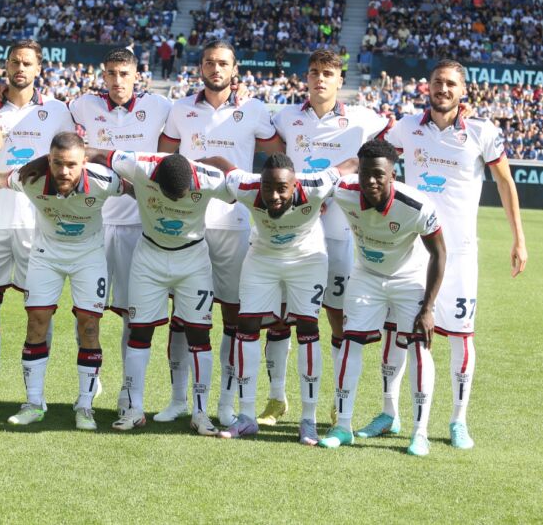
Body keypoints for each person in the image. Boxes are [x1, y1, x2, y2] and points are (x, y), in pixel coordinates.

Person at [361, 59, 527, 449]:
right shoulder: (406, 128)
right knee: (397, 332)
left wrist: (519, 239)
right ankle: (389, 412)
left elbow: (505, 183)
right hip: (411, 250)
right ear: (428, 87)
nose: (444, 89)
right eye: (438, 82)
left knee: (459, 336)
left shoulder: (482, 132)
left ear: (462, 90)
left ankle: (458, 420)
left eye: (451, 84)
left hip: (460, 254)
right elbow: (373, 156)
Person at [158, 40, 284, 427]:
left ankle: (226, 404)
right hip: (188, 221)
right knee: (182, 315)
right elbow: (164, 157)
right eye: (209, 62)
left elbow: (279, 153)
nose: (216, 69)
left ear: (235, 69)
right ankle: (179, 399)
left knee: (232, 314)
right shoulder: (180, 108)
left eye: (223, 63)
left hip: (234, 225)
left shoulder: (255, 108)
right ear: (200, 67)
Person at [265, 48, 390, 427]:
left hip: (339, 232)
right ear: (306, 78)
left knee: (337, 316)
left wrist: (339, 172)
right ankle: (275, 399)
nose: (320, 79)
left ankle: (339, 399)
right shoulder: (286, 117)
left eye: (328, 74)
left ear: (340, 81)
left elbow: (381, 151)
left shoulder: (363, 118)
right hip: (294, 232)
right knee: (281, 316)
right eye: (314, 72)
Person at [198, 154, 354, 443]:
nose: (273, 195)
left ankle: (308, 420)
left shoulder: (318, 184)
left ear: (295, 185)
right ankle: (245, 416)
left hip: (308, 259)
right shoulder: (245, 185)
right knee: (246, 328)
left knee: (308, 328)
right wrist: (191, 162)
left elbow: (350, 163)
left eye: (282, 188)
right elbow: (223, 163)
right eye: (267, 187)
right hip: (262, 258)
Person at [0, 132, 127, 431]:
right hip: (46, 255)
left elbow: (137, 188)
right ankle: (33, 403)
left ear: (84, 162)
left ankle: (85, 407)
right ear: (48, 160)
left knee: (89, 326)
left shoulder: (104, 180)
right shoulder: (30, 178)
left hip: (89, 256)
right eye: (57, 164)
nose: (64, 171)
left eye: (72, 165)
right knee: (37, 323)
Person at [91, 149, 233, 436]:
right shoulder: (139, 165)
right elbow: (95, 154)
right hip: (149, 258)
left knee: (199, 334)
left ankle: (201, 412)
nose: (175, 201)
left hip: (193, 260)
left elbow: (239, 186)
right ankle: (134, 408)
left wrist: (224, 163)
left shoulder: (209, 178)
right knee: (139, 331)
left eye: (181, 195)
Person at [319, 139, 446, 457]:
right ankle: (343, 427)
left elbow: (439, 254)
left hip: (409, 278)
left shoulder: (416, 206)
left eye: (379, 175)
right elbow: (324, 181)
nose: (371, 182)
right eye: (365, 174)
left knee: (419, 346)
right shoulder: (345, 192)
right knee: (350, 342)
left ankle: (420, 433)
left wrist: (428, 308)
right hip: (366, 276)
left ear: (393, 175)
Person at [67, 48, 172, 416]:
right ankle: (91, 379)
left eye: (124, 74)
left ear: (136, 75)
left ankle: (129, 389)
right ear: (102, 75)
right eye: (110, 73)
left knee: (134, 312)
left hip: (137, 224)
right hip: (92, 222)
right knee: (87, 310)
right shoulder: (80, 106)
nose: (117, 81)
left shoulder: (160, 106)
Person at [0, 40, 74, 409]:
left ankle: (36, 394)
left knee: (40, 311)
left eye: (27, 63)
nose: (20, 67)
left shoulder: (58, 111)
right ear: (5, 66)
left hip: (38, 226)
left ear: (38, 69)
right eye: (14, 61)